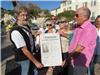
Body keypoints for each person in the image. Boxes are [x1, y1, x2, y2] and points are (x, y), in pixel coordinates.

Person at [10, 5, 43, 75]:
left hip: (30, 56)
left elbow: (28, 38)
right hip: (23, 59)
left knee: (34, 72)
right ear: (17, 16)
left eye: (26, 15)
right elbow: (24, 50)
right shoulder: (16, 31)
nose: (25, 17)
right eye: (22, 15)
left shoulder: (26, 26)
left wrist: (35, 35)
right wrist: (36, 62)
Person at [65, 7, 97, 75]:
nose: (74, 17)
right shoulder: (78, 27)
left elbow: (79, 49)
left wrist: (67, 60)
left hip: (79, 64)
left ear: (85, 17)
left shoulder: (89, 28)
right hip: (73, 60)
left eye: (77, 15)